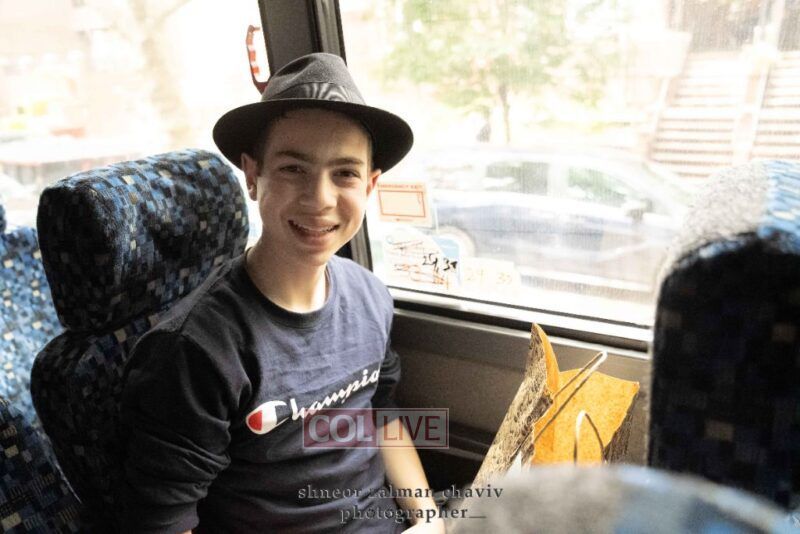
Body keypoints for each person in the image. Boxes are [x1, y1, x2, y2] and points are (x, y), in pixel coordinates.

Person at [120, 53, 444, 533]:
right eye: (293, 168)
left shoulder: (370, 296)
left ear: (371, 185)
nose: (320, 199)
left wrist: (429, 519)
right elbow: (162, 522)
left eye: (345, 173)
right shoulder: (195, 350)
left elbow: (382, 413)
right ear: (253, 176)